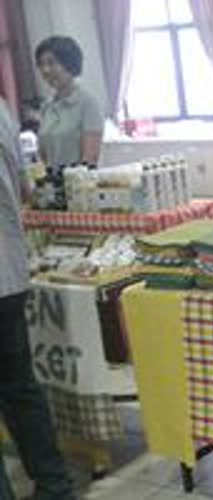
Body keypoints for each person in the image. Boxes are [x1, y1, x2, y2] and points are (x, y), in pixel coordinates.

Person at [0, 98, 75, 499]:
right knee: (19, 388)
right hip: (8, 273)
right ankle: (54, 486)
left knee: (19, 387)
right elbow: (24, 186)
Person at [35, 36, 104, 167]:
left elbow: (90, 159)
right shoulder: (46, 107)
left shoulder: (88, 103)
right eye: (41, 64)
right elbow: (43, 157)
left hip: (80, 178)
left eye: (51, 63)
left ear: (69, 64)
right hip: (52, 179)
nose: (45, 70)